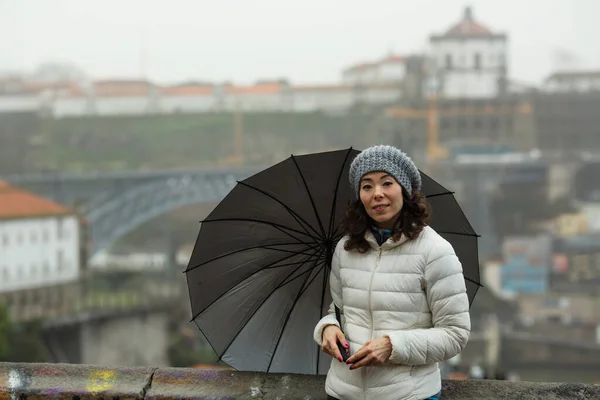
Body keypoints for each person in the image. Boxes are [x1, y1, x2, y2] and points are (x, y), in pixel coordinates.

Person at [313, 145, 471, 400]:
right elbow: (340, 311)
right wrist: (327, 328)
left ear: (405, 190)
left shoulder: (435, 251)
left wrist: (392, 346)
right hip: (342, 392)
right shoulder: (346, 248)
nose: (377, 194)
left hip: (408, 394)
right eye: (367, 186)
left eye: (387, 183)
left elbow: (455, 334)